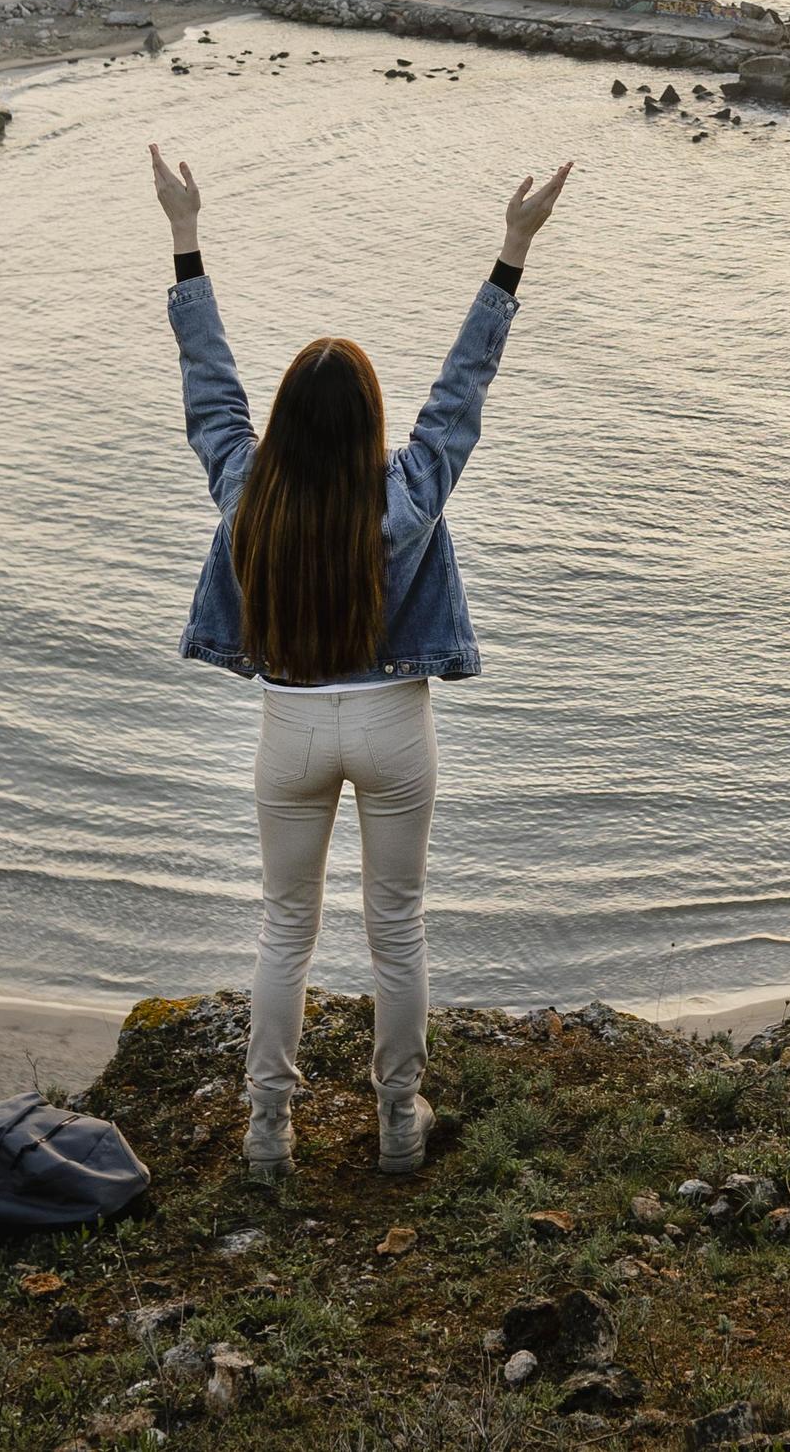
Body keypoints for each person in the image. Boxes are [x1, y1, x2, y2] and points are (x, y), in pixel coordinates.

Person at [150, 140, 571, 1181]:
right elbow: (458, 393)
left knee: (284, 931)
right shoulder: (408, 495)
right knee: (398, 929)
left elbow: (210, 393)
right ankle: (394, 1120)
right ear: (370, 423)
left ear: (285, 423)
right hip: (393, 726)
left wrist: (185, 239)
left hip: (290, 729)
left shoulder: (251, 494)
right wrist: (511, 250)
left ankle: (267, 1128)